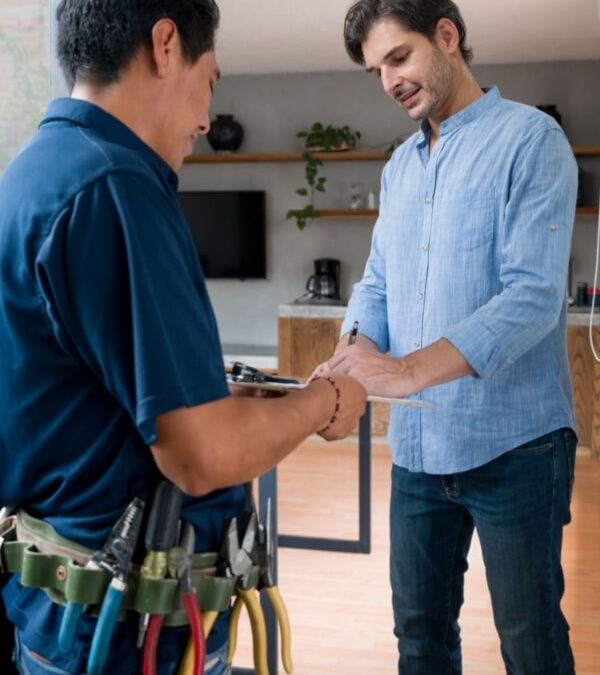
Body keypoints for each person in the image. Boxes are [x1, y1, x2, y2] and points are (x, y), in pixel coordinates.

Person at [0, 1, 367, 673]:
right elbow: (201, 455)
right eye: (210, 83)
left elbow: (74, 399)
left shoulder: (33, 174)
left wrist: (210, 396)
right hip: (123, 637)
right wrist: (324, 402)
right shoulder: (116, 188)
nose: (205, 119)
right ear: (165, 44)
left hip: (58, 618)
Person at [317, 1, 578, 673]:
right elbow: (377, 282)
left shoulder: (531, 141)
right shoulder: (399, 166)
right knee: (420, 637)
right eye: (376, 70)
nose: (389, 81)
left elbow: (531, 298)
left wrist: (402, 371)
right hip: (417, 449)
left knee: (529, 641)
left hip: (518, 446)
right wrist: (348, 360)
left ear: (447, 36)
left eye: (398, 58)